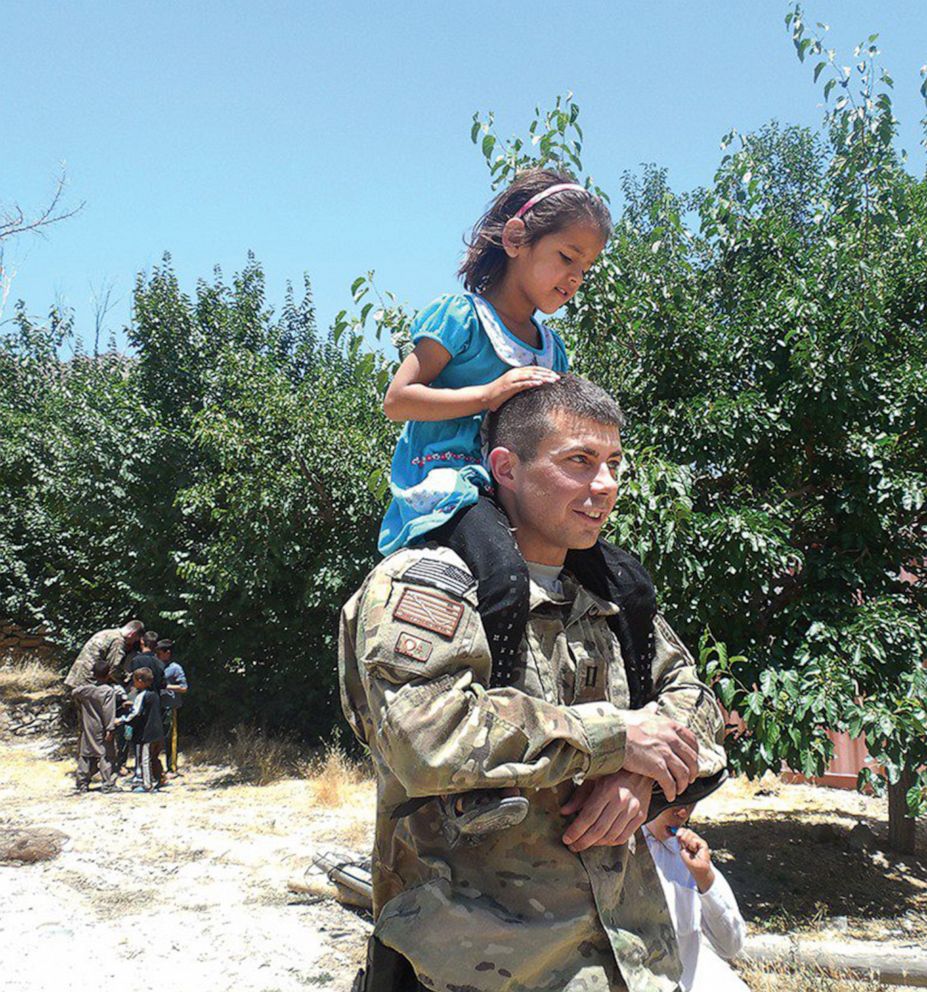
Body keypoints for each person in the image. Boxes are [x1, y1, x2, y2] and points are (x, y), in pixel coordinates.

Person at [340, 374, 728, 992]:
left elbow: (696, 700)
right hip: (479, 968)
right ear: (506, 468)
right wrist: (614, 738)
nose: (604, 486)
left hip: (632, 962)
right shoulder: (428, 585)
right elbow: (425, 738)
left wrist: (641, 775)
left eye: (613, 464)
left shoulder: (614, 592)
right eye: (578, 462)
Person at [380, 169, 650, 838]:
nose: (574, 278)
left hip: (508, 487)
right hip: (446, 481)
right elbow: (398, 401)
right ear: (514, 240)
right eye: (566, 258)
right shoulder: (458, 317)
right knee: (501, 579)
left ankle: (637, 736)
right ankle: (482, 778)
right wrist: (489, 394)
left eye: (585, 269)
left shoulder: (548, 344)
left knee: (628, 583)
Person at [644, 804, 748, 992]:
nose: (683, 812)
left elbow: (731, 945)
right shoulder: (612, 850)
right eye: (675, 798)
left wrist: (704, 876)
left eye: (691, 801)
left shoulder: (686, 855)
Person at [71, 659, 121, 793]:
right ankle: (108, 784)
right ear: (108, 673)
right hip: (102, 727)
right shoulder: (108, 691)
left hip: (87, 727)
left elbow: (74, 692)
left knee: (86, 754)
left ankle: (82, 783)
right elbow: (108, 711)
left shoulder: (86, 690)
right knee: (106, 755)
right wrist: (110, 728)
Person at [114, 667, 164, 793]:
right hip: (158, 731)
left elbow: (135, 714)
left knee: (144, 759)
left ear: (140, 681)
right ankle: (158, 780)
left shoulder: (141, 695)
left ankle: (147, 785)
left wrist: (120, 720)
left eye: (134, 680)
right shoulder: (154, 694)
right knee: (154, 757)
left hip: (147, 733)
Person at [64, 620, 144, 691]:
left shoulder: (107, 632)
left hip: (75, 677)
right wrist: (127, 680)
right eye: (135, 640)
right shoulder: (118, 641)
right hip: (89, 682)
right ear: (132, 634)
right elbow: (113, 669)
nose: (132, 643)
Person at [156, 639, 187, 775]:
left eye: (159, 652)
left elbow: (184, 687)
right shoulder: (156, 665)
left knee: (171, 738)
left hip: (170, 706)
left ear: (167, 653)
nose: (157, 655)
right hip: (157, 706)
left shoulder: (175, 668)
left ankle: (172, 767)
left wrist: (167, 686)